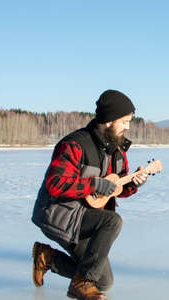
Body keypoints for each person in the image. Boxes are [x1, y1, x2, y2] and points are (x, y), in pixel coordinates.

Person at [31, 90, 148, 300]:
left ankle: (47, 258)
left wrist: (132, 184)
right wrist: (93, 185)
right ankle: (81, 284)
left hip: (85, 217)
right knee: (112, 221)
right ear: (109, 120)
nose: (127, 126)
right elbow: (55, 184)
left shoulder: (117, 150)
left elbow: (115, 188)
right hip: (59, 214)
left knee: (103, 282)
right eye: (124, 121)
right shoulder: (75, 144)